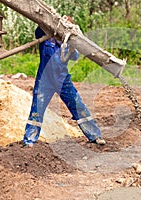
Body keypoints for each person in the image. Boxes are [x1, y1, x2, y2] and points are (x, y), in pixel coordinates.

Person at [22, 19, 106, 147]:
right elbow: (40, 26)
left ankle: (95, 136)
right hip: (44, 80)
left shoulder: (69, 44)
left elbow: (74, 56)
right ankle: (29, 141)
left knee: (78, 106)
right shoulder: (46, 38)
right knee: (37, 110)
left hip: (62, 80)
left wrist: (72, 47)